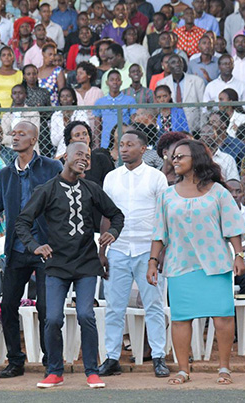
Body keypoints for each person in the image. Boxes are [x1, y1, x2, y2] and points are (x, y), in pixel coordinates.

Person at [16, 141, 124, 389]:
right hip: (56, 264)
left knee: (86, 315)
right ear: (66, 156)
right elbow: (23, 222)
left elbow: (116, 214)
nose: (84, 159)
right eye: (79, 154)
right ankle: (55, 370)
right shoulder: (47, 189)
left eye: (87, 156)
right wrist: (35, 246)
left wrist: (113, 233)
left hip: (86, 263)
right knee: (52, 319)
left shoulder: (91, 188)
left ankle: (92, 371)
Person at [147, 139, 245, 386]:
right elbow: (159, 232)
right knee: (181, 318)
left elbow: (232, 227)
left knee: (222, 317)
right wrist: (152, 261)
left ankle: (224, 368)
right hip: (180, 264)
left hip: (215, 264)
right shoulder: (167, 195)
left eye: (181, 156)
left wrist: (238, 254)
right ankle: (183, 370)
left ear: (197, 160)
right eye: (173, 157)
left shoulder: (219, 192)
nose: (174, 160)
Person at [0, 121, 62, 377]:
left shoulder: (52, 167)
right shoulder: (5, 174)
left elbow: (61, 204)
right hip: (17, 249)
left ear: (34, 139)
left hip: (46, 249)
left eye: (22, 134)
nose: (15, 137)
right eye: (14, 134)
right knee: (7, 306)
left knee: (45, 308)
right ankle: (15, 360)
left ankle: (50, 360)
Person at [98, 130, 170, 378]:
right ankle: (112, 358)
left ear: (143, 149)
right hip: (118, 249)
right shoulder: (111, 178)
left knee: (153, 305)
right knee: (115, 307)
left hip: (146, 251)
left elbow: (163, 217)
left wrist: (158, 253)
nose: (124, 148)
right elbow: (106, 215)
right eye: (121, 145)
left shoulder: (156, 177)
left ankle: (159, 357)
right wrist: (102, 250)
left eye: (130, 144)